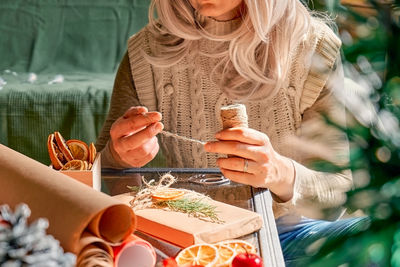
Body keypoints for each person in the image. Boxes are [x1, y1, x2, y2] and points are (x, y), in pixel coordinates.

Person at [96, 0, 369, 265]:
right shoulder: (146, 51)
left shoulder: (312, 47)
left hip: (285, 235)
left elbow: (337, 194)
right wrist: (120, 158)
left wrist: (279, 172)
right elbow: (99, 180)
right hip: (183, 243)